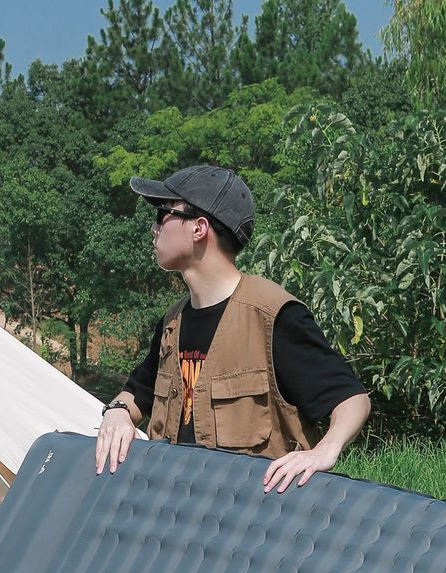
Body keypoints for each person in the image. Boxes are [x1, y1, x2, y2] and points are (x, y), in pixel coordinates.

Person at [95, 165, 370, 493]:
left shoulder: (274, 317)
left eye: (163, 214)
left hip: (254, 515)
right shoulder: (172, 323)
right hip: (176, 511)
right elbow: (135, 393)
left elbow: (352, 399)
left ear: (199, 228)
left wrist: (324, 450)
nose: (154, 228)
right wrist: (117, 413)